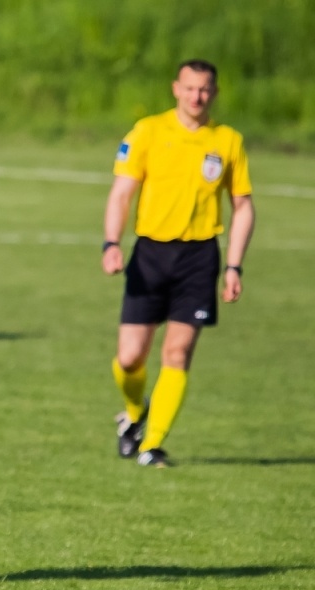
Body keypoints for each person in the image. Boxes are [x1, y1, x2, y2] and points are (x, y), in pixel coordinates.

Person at [103, 59, 254, 467]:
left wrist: (234, 266)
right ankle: (134, 415)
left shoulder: (227, 141)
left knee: (177, 352)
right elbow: (121, 193)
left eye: (204, 89)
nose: (197, 96)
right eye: (190, 88)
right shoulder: (148, 131)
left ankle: (152, 445)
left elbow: (242, 207)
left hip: (200, 257)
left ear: (215, 93)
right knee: (131, 357)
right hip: (150, 254)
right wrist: (111, 243)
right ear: (176, 89)